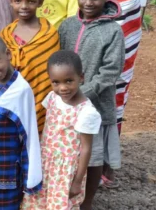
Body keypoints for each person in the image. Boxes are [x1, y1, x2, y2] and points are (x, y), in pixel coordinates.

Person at [57, 0, 125, 210]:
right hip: (66, 102)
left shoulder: (113, 31)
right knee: (69, 149)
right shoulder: (68, 26)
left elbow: (111, 70)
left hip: (95, 105)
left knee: (93, 155)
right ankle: (64, 192)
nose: (88, 2)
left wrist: (83, 93)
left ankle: (87, 202)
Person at [21, 51, 100, 210]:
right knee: (37, 204)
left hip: (65, 172)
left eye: (69, 81)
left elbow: (85, 149)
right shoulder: (52, 97)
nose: (62, 88)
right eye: (56, 82)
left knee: (58, 206)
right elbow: (46, 128)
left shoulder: (86, 112)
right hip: (45, 164)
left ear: (81, 77)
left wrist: (77, 182)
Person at [0, 36, 43, 209]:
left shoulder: (21, 90)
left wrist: (31, 176)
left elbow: (29, 135)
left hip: (7, 170)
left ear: (8, 54)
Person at [95, 0, 142, 134]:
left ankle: (109, 157)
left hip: (120, 61)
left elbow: (113, 26)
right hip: (100, 58)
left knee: (114, 102)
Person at [0, 0, 60, 131]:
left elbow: (46, 77)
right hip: (10, 103)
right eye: (18, 1)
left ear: (40, 2)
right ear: (11, 1)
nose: (24, 6)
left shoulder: (49, 35)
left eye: (31, 1)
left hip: (38, 101)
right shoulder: (5, 34)